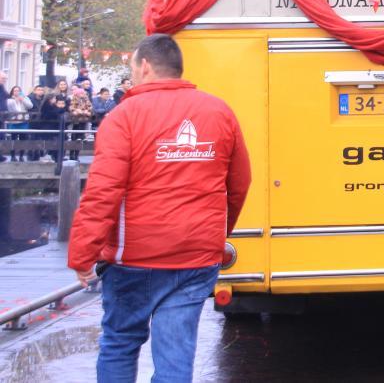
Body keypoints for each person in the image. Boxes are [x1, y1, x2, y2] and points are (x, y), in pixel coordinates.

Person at [67, 34, 252, 382]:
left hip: (134, 257)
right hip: (195, 256)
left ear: (145, 66)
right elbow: (239, 183)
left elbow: (103, 192)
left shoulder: (124, 117)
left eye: (132, 67)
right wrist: (215, 234)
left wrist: (82, 253)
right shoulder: (219, 112)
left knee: (121, 342)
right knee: (176, 352)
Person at [5, 86, 33, 161]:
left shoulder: (25, 98)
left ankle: (21, 156)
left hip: (23, 121)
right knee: (13, 139)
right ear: (12, 92)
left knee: (23, 139)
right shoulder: (9, 99)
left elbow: (30, 106)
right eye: (15, 91)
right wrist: (14, 101)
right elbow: (8, 108)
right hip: (13, 122)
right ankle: (13, 156)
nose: (17, 92)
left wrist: (22, 100)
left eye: (18, 91)